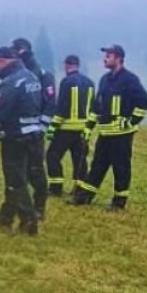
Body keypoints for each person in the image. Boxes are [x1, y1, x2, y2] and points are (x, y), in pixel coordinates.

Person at [69, 45, 147, 211]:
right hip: (105, 133)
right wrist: (88, 128)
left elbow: (143, 101)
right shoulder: (104, 80)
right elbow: (97, 107)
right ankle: (84, 198)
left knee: (121, 168)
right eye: (105, 56)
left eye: (109, 56)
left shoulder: (129, 79)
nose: (105, 59)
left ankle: (119, 203)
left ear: (119, 58)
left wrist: (131, 122)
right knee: (97, 165)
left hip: (121, 135)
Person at [0, 47, 43, 235]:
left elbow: (1, 112)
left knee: (16, 180)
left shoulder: (9, 83)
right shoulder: (32, 77)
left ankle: (29, 220)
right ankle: (5, 216)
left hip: (14, 136)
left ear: (3, 61)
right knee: (20, 176)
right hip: (33, 135)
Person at [11, 38, 53, 218]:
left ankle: (39, 207)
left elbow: (51, 103)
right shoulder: (18, 74)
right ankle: (16, 205)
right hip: (18, 131)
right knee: (19, 171)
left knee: (36, 170)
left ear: (22, 51)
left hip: (35, 131)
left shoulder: (43, 74)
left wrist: (42, 126)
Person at [45, 55, 94, 195]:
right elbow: (93, 106)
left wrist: (52, 128)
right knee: (79, 160)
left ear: (66, 65)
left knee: (52, 155)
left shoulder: (66, 82)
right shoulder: (90, 82)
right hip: (83, 128)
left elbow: (62, 107)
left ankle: (55, 188)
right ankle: (79, 188)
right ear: (78, 65)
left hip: (65, 128)